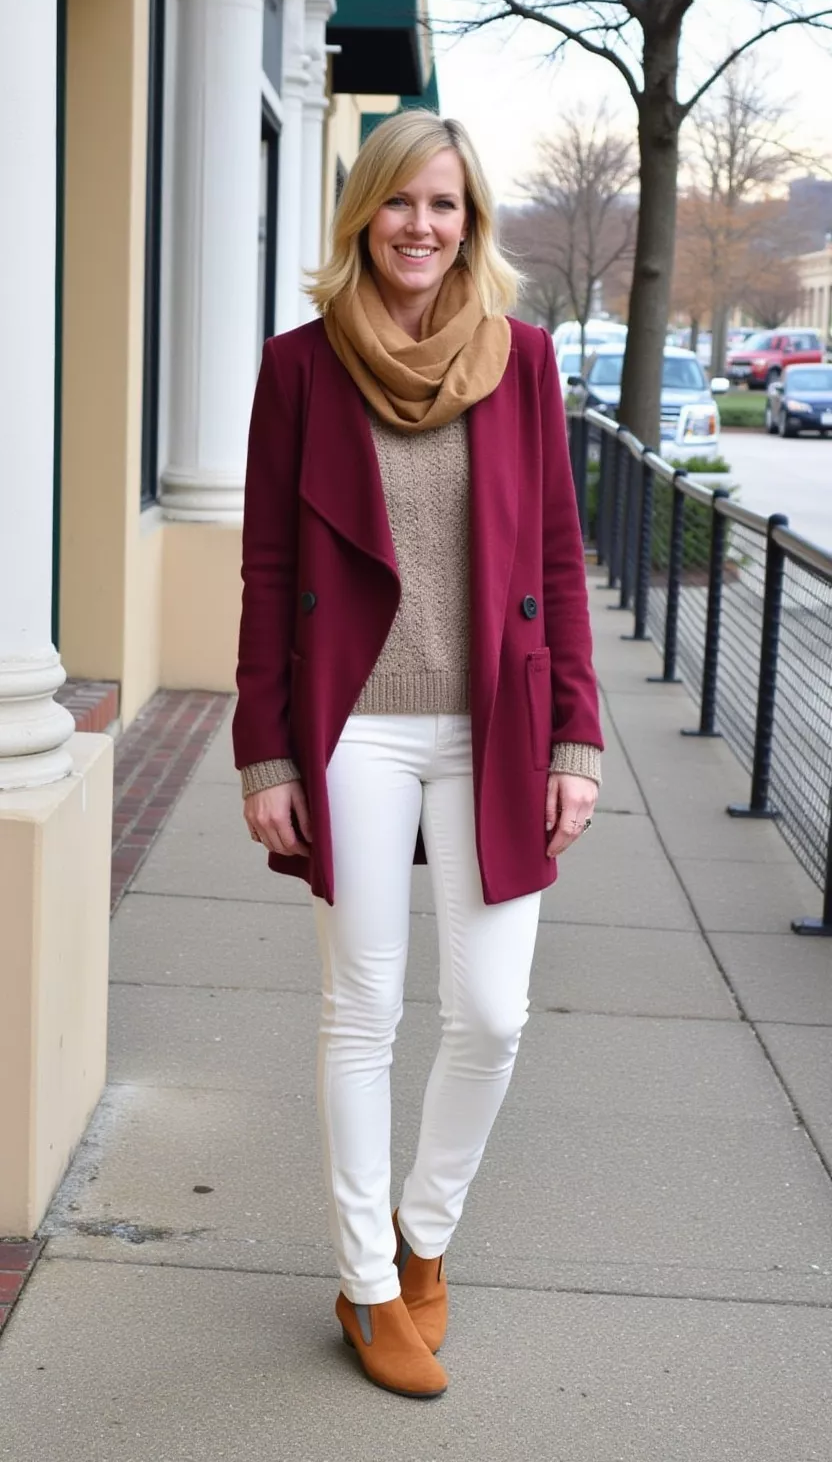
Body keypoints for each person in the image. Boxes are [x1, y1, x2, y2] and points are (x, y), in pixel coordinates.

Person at [232, 110, 602, 1401]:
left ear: (473, 221)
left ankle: (424, 1236)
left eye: (444, 207)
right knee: (366, 1010)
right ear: (362, 217)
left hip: (492, 724)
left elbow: (559, 559)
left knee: (493, 1014)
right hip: (352, 727)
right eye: (399, 204)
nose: (421, 228)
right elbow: (269, 569)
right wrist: (263, 752)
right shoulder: (300, 369)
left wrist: (579, 736)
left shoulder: (527, 363)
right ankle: (366, 1281)